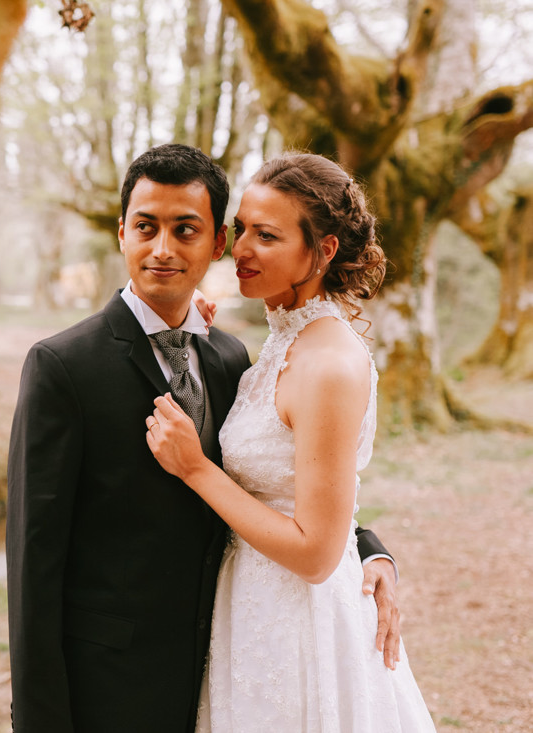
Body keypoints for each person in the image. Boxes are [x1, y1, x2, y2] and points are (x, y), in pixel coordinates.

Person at [5, 144, 400, 732]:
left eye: (185, 230)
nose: (162, 249)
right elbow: (32, 564)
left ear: (212, 244)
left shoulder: (228, 356)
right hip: (110, 683)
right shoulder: (63, 366)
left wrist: (369, 549)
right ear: (121, 233)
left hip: (231, 654)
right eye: (146, 227)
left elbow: (280, 481)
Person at [145, 152, 436, 731]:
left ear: (323, 250)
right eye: (243, 228)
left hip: (301, 626)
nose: (241, 250)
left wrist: (196, 468)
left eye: (268, 235)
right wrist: (195, 333)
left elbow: (315, 554)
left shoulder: (329, 362)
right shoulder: (284, 341)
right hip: (250, 607)